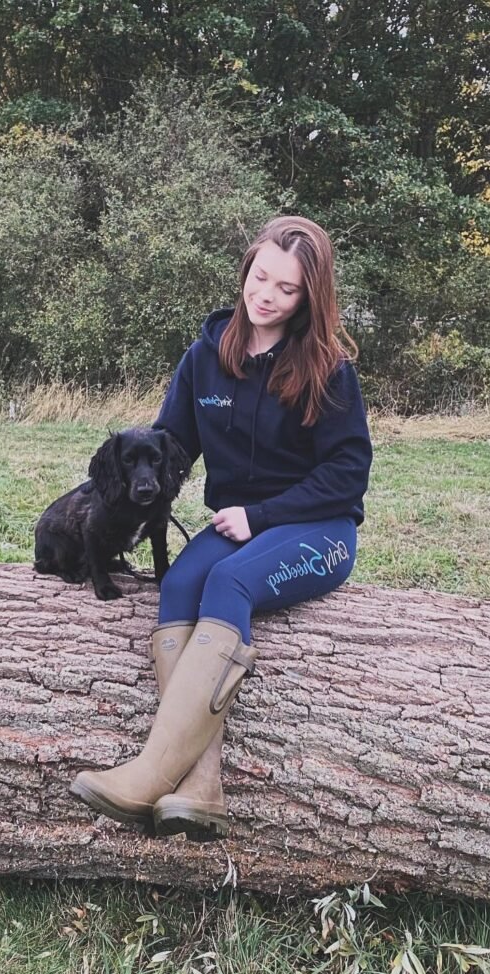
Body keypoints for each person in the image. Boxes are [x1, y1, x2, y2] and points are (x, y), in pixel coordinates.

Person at [70, 215, 373, 840]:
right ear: (245, 270)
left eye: (286, 289)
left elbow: (348, 474)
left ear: (308, 298)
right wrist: (110, 490)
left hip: (320, 531)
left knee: (229, 582)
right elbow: (166, 446)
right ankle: (199, 786)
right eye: (259, 277)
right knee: (180, 584)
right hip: (239, 524)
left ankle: (153, 770)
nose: (265, 295)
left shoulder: (329, 369)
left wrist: (261, 515)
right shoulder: (206, 358)